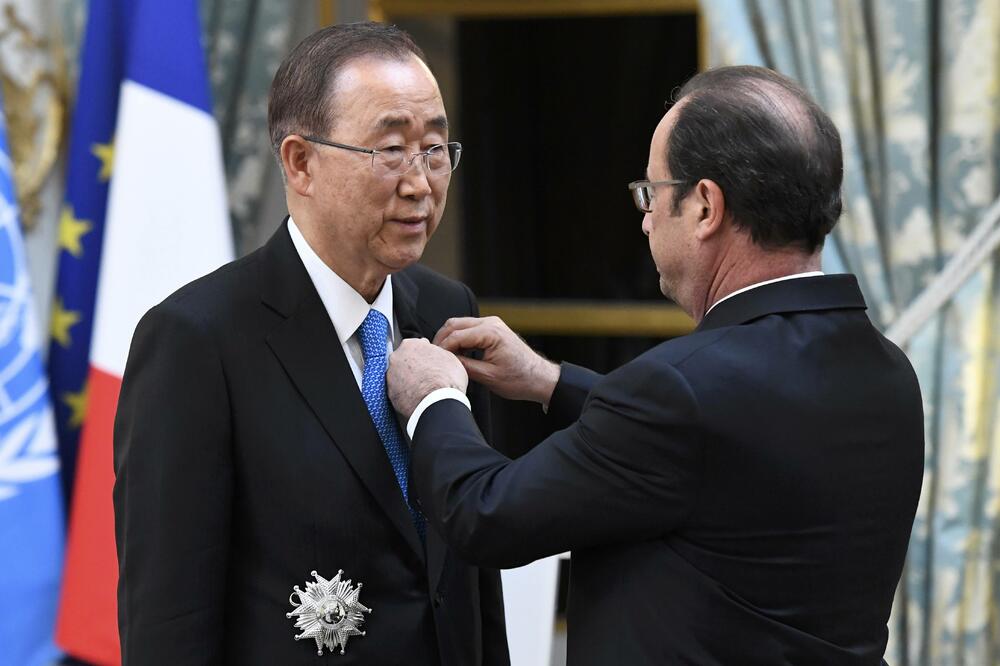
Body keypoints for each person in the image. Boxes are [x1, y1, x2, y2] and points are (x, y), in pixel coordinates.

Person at [387, 65, 923, 665]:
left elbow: (486, 514)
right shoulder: (889, 370)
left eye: (652, 194)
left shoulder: (682, 389)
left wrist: (435, 399)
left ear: (705, 207)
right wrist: (549, 382)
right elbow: (726, 450)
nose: (644, 219)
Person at [113, 22, 508, 665]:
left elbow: (471, 570)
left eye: (436, 148)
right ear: (300, 162)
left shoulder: (445, 309)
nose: (421, 184)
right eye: (390, 151)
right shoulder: (197, 340)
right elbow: (170, 620)